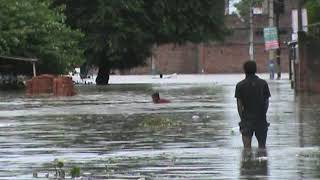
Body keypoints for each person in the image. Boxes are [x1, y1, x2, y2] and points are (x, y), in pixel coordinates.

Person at [235, 61, 271, 149]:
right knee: (262, 148)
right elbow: (266, 103)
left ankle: (247, 162)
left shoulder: (240, 85)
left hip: (247, 119)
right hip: (261, 119)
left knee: (246, 149)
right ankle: (262, 162)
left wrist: (242, 119)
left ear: (244, 70)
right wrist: (263, 114)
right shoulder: (263, 84)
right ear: (256, 69)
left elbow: (239, 106)